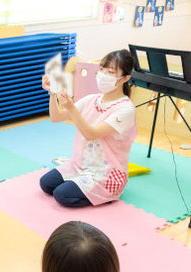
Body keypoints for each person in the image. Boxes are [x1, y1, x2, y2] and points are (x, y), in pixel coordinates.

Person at [40, 50, 136, 207]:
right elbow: (56, 117)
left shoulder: (126, 109)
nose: (103, 75)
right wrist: (52, 93)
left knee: (61, 195)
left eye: (110, 72)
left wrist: (71, 108)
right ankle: (81, 185)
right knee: (46, 184)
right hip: (80, 164)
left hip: (105, 172)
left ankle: (108, 194)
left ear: (125, 78)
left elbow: (91, 134)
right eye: (102, 70)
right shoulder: (91, 99)